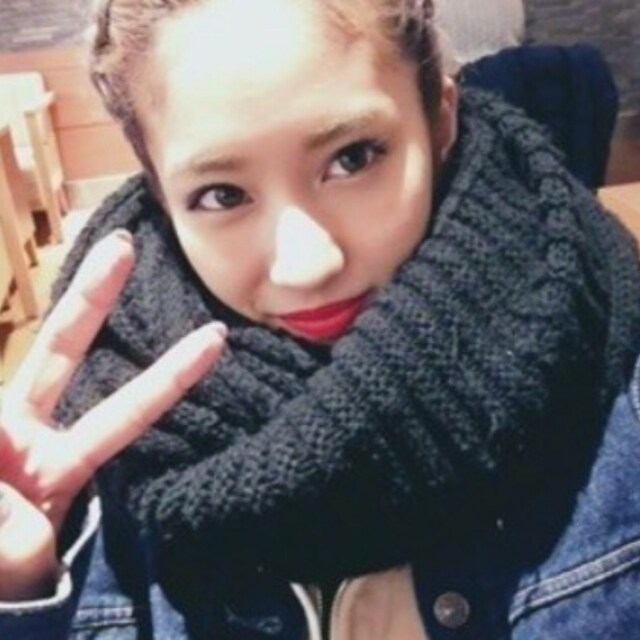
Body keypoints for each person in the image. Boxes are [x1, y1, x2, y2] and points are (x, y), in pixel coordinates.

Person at [2, 0, 640, 638]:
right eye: (223, 195)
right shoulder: (92, 455)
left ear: (440, 121)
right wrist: (22, 585)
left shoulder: (608, 379)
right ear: (163, 199)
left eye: (354, 158)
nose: (306, 265)